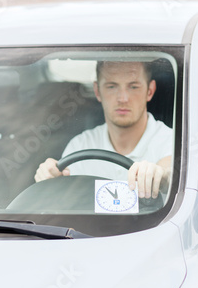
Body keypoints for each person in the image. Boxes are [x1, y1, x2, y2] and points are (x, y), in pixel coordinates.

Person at [34, 60, 173, 199]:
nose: (123, 98)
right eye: (112, 86)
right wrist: (50, 179)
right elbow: (65, 204)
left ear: (150, 91)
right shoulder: (80, 146)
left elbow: (170, 166)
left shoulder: (174, 143)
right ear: (97, 91)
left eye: (133, 87)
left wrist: (162, 174)